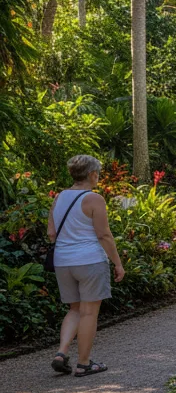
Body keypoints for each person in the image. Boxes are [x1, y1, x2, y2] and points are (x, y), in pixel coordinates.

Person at [47, 154, 125, 377]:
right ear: (92, 174)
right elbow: (103, 234)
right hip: (89, 260)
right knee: (89, 312)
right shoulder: (94, 199)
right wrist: (118, 264)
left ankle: (61, 353)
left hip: (63, 262)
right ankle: (83, 363)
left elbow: (51, 233)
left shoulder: (59, 197)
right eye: (98, 173)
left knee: (75, 309)